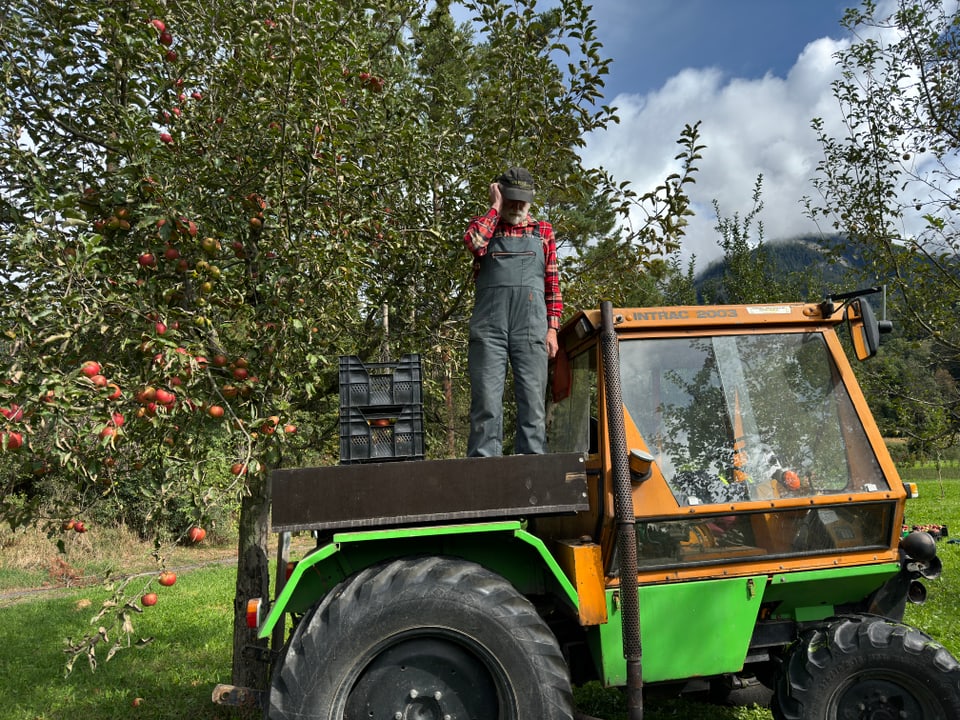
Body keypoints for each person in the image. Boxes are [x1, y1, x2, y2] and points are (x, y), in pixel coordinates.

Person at [463, 166, 562, 456]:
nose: (517, 206)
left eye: (523, 200)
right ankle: (483, 472)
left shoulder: (542, 231)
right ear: (500, 194)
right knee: (486, 403)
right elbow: (473, 243)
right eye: (511, 199)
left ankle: (532, 472)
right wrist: (494, 207)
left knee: (533, 403)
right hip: (489, 328)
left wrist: (553, 328)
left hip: (531, 326)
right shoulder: (485, 226)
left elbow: (553, 285)